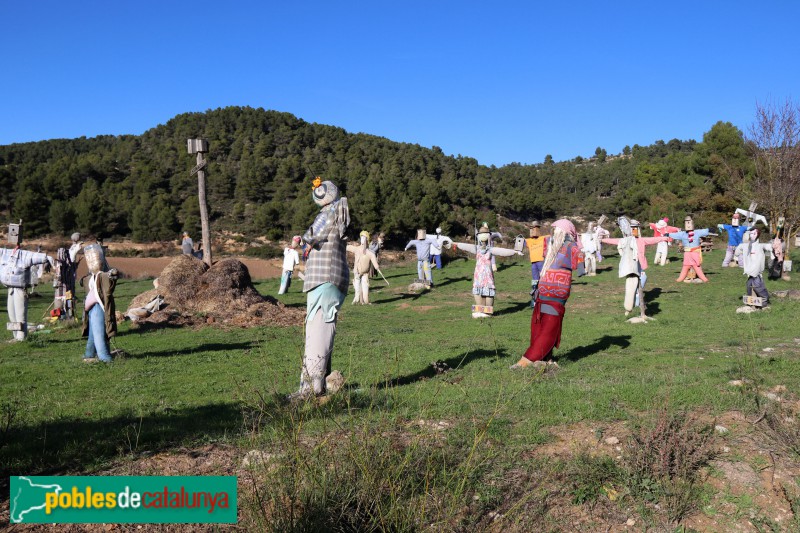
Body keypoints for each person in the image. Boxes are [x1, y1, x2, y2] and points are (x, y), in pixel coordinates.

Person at [289, 177, 350, 400]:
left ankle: (309, 388)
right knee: (324, 330)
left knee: (317, 330)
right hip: (333, 277)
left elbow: (311, 235)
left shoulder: (328, 212)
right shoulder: (339, 211)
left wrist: (300, 240)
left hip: (323, 278)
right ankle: (321, 385)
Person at [512, 219, 584, 368]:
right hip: (559, 289)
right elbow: (580, 264)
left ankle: (545, 357)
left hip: (543, 285)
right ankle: (528, 359)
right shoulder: (570, 246)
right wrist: (581, 260)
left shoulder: (549, 243)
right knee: (550, 326)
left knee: (540, 322)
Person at [601, 218, 667, 319]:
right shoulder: (626, 241)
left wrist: (664, 238)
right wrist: (602, 240)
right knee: (634, 284)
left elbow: (653, 239)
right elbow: (614, 241)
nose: (634, 231)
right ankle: (634, 303)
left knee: (641, 281)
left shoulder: (641, 240)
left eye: (635, 228)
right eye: (632, 228)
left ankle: (636, 302)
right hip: (632, 267)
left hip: (640, 266)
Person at [452, 223, 522, 318]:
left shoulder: (490, 249)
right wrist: (455, 243)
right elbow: (466, 246)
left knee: (488, 292)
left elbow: (501, 251)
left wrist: (514, 252)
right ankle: (481, 311)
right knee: (478, 291)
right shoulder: (477, 248)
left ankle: (487, 312)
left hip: (487, 275)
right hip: (478, 276)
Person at [0, 226, 53, 341]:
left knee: (20, 314)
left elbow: (38, 257)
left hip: (20, 289)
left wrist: (47, 259)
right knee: (11, 314)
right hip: (10, 289)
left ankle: (21, 337)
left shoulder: (24, 255)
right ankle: (15, 336)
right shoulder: (5, 253)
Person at [81, 244, 118, 362]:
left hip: (96, 307)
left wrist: (112, 274)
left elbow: (110, 278)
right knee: (96, 333)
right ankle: (97, 355)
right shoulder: (91, 277)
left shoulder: (101, 276)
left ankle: (97, 355)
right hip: (94, 308)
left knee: (96, 333)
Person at [667, 216, 714, 283]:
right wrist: (668, 234)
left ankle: (704, 278)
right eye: (686, 223)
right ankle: (680, 278)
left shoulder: (697, 232)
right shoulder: (682, 234)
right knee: (685, 266)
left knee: (697, 266)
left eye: (689, 222)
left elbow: (703, 231)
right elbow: (676, 235)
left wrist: (709, 230)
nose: (688, 225)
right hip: (687, 253)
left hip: (695, 252)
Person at [736, 227, 773, 309]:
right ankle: (751, 302)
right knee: (749, 286)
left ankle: (764, 301)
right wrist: (737, 252)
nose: (752, 235)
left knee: (758, 286)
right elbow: (738, 250)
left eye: (754, 233)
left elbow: (766, 246)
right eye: (751, 233)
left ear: (757, 234)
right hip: (750, 272)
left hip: (757, 272)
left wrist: (771, 247)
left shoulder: (760, 246)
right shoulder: (745, 246)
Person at [347, 231, 386, 305]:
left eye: (364, 238)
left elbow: (374, 260)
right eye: (362, 237)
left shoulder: (369, 252)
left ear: (367, 239)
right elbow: (348, 247)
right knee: (357, 288)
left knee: (365, 287)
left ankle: (366, 301)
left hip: (365, 273)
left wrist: (377, 268)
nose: (363, 239)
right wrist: (342, 244)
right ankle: (357, 299)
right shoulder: (357, 249)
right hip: (357, 272)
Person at [524, 221, 547, 307]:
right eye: (531, 229)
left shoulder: (543, 238)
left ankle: (544, 299)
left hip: (541, 261)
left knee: (543, 280)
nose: (532, 230)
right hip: (533, 263)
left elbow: (553, 237)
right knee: (534, 282)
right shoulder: (529, 240)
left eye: (534, 228)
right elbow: (520, 242)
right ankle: (534, 301)